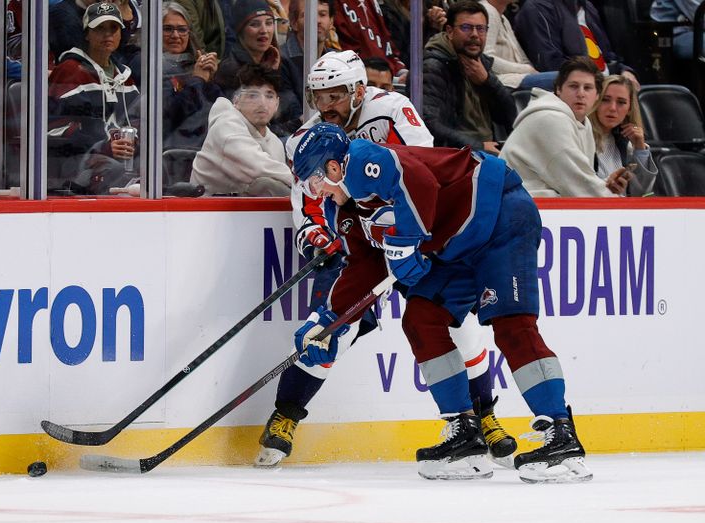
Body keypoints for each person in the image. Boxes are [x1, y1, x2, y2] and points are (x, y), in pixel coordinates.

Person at [289, 122, 593, 483]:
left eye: (314, 180)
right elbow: (363, 269)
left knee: (513, 324)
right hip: (455, 248)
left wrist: (403, 242)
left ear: (334, 168)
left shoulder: (365, 160)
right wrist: (331, 321)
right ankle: (464, 431)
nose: (316, 192)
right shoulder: (345, 212)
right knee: (421, 319)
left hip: (498, 215)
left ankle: (560, 433)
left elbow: (417, 182)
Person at [255, 49, 516, 469]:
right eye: (318, 97)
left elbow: (420, 172)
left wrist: (402, 237)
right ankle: (284, 417)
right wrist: (316, 236)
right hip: (360, 241)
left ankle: (484, 417)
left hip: (410, 234)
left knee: (459, 324)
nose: (326, 106)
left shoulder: (392, 110)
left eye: (335, 95)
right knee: (328, 330)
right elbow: (306, 197)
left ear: (358, 90)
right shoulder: (311, 136)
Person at [500, 57, 630, 197]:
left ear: (597, 95)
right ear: (558, 89)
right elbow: (579, 187)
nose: (580, 94)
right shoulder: (550, 119)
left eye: (588, 88)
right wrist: (617, 201)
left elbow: (579, 182)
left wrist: (606, 186)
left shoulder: (582, 122)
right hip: (520, 206)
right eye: (573, 86)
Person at [47, 2, 140, 195]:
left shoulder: (125, 76)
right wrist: (104, 147)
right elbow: (54, 130)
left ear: (121, 34)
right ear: (87, 34)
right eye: (99, 28)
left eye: (113, 28)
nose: (108, 34)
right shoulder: (71, 71)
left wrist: (135, 143)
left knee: (157, 166)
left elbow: (138, 121)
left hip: (117, 159)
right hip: (75, 162)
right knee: (114, 170)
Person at [419, 0, 516, 154]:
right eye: (466, 28)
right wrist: (479, 146)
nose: (475, 35)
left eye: (481, 29)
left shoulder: (479, 62)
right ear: (450, 31)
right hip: (457, 157)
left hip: (489, 150)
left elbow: (510, 115)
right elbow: (429, 124)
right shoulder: (433, 66)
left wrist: (487, 81)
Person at [189, 64, 293, 196]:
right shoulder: (226, 125)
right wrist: (308, 184)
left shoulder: (275, 142)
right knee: (268, 184)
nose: (262, 103)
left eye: (269, 96)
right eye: (252, 95)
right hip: (204, 212)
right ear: (236, 101)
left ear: (277, 104)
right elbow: (257, 166)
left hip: (246, 213)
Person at [139, 2, 222, 149]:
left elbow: (218, 111)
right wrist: (198, 80)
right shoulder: (144, 64)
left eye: (182, 29)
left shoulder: (197, 65)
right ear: (154, 30)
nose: (175, 35)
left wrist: (211, 80)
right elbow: (171, 115)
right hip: (168, 152)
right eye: (168, 29)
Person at [214, 0, 301, 137]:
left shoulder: (277, 62)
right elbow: (253, 131)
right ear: (240, 31)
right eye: (254, 24)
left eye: (268, 23)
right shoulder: (230, 71)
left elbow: (290, 108)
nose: (264, 31)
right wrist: (298, 124)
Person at [514, 0, 640, 90]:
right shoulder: (538, 7)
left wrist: (623, 70)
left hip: (603, 85)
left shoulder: (588, 7)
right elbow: (548, 63)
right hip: (577, 90)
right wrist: (598, 80)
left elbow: (606, 55)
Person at [590, 75, 658, 197]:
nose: (612, 108)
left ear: (630, 109)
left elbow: (642, 192)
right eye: (605, 99)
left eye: (621, 102)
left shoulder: (625, 142)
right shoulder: (581, 135)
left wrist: (640, 148)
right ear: (596, 100)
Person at [480, 0, 556, 91]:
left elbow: (522, 57)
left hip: (519, 77)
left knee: (570, 77)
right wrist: (525, 69)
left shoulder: (503, 18)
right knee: (566, 79)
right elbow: (486, 59)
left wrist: (531, 71)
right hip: (504, 81)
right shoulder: (487, 11)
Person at [331, 0, 408, 82]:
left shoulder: (372, 3)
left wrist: (401, 72)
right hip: (357, 79)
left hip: (384, 76)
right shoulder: (338, 4)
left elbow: (386, 46)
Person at [280, 0, 337, 99]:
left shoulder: (337, 60)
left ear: (331, 21)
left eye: (322, 14)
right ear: (294, 23)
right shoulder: (280, 61)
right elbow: (292, 111)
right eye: (309, 14)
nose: (318, 21)